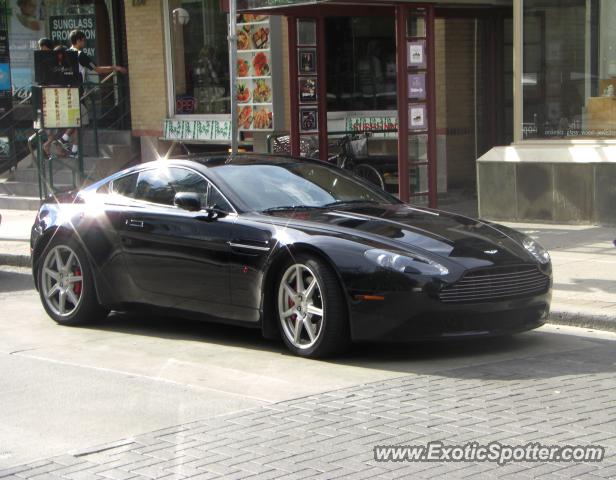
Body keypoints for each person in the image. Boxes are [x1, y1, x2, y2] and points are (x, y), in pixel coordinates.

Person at [58, 29, 128, 157]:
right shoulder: (80, 55)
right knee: (82, 122)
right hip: (78, 94)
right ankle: (65, 140)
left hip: (66, 93)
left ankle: (71, 146)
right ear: (78, 40)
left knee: (76, 121)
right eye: (83, 40)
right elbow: (98, 69)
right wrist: (115, 68)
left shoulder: (66, 54)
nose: (84, 43)